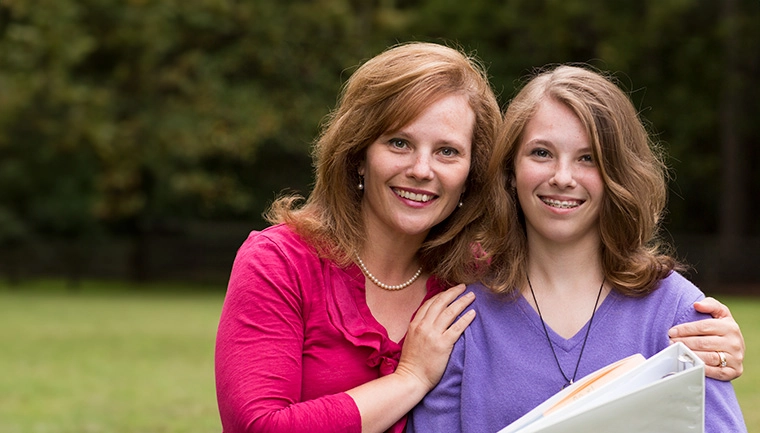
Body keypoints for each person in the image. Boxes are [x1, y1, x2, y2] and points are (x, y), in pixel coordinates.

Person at [216, 42, 744, 433]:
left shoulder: (461, 274)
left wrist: (717, 346)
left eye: (447, 151)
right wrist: (410, 379)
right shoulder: (460, 302)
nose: (421, 169)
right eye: (399, 143)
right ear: (359, 152)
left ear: (475, 171)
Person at [407, 65, 747, 432]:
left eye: (588, 158)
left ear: (618, 173)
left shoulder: (678, 314)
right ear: (510, 169)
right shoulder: (462, 320)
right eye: (541, 153)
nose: (562, 178)